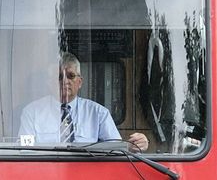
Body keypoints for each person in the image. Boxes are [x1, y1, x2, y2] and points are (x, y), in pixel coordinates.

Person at [19, 52, 150, 150]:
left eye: (70, 76)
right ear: (49, 83)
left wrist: (136, 145)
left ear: (80, 82)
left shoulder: (99, 113)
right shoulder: (32, 113)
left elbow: (116, 151)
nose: (65, 81)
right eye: (59, 77)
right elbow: (24, 152)